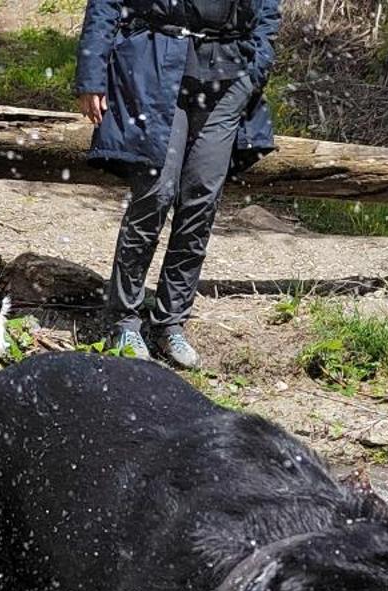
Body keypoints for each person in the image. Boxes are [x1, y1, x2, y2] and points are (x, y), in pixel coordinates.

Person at [76, 0, 280, 369]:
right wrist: (91, 75)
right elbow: (106, 4)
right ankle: (123, 321)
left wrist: (256, 71)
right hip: (154, 69)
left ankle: (170, 323)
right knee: (156, 194)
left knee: (201, 199)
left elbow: (267, 13)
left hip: (229, 79)